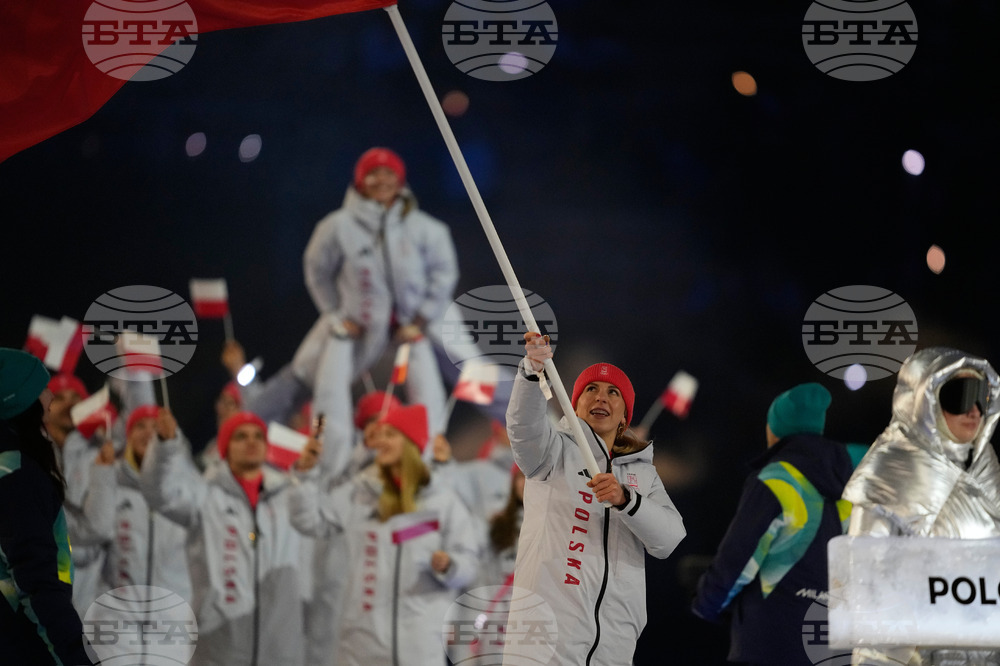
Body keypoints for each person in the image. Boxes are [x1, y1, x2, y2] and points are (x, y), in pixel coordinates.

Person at [504, 333, 686, 665]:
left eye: (612, 392)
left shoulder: (643, 475)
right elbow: (523, 429)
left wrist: (627, 500)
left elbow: (670, 538)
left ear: (625, 417)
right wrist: (532, 371)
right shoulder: (553, 450)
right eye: (591, 389)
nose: (601, 397)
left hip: (614, 644)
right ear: (574, 406)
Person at [287, 147, 459, 479]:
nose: (381, 180)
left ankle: (427, 466)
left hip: (412, 329)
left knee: (436, 390)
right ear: (359, 181)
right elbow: (316, 271)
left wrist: (421, 318)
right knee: (326, 387)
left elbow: (444, 274)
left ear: (400, 179)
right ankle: (329, 470)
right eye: (373, 173)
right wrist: (336, 314)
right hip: (358, 328)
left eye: (389, 173)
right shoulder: (336, 226)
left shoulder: (426, 227)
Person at [290, 403, 481, 666]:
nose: (380, 441)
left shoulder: (442, 502)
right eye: (381, 434)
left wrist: (450, 565)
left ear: (412, 444)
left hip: (419, 646)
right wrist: (305, 474)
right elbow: (310, 521)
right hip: (360, 645)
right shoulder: (360, 493)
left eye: (391, 434)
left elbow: (469, 563)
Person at [842, 347, 1000, 665]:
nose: (974, 412)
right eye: (958, 396)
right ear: (923, 400)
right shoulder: (890, 475)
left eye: (980, 396)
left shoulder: (986, 470)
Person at [691, 382, 859, 665]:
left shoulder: (775, 479)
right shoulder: (849, 486)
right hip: (828, 647)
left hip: (769, 643)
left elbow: (739, 558)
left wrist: (707, 602)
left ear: (774, 429)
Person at [141, 409, 317, 666]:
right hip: (220, 647)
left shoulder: (288, 496)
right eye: (240, 436)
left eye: (258, 435)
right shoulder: (203, 496)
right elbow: (159, 493)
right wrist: (165, 448)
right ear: (225, 448)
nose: (251, 441)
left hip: (280, 648)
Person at [0, 348, 93, 665]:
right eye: (42, 388)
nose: (50, 396)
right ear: (19, 399)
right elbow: (38, 584)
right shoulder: (16, 476)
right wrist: (75, 658)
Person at [99, 404, 192, 604]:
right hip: (120, 621)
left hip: (174, 621)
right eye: (140, 426)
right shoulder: (112, 485)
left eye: (156, 426)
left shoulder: (185, 493)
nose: (149, 432)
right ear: (128, 437)